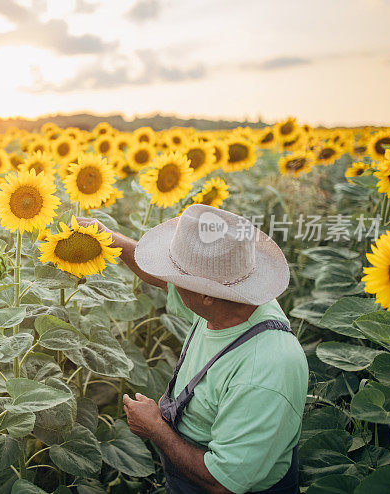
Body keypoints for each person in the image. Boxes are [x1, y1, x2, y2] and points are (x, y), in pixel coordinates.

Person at [76, 204, 308, 494]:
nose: (169, 281)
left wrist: (156, 429)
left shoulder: (264, 368)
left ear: (205, 295)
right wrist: (112, 240)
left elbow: (222, 482)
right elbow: (158, 278)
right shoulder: (235, 300)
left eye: (177, 277)